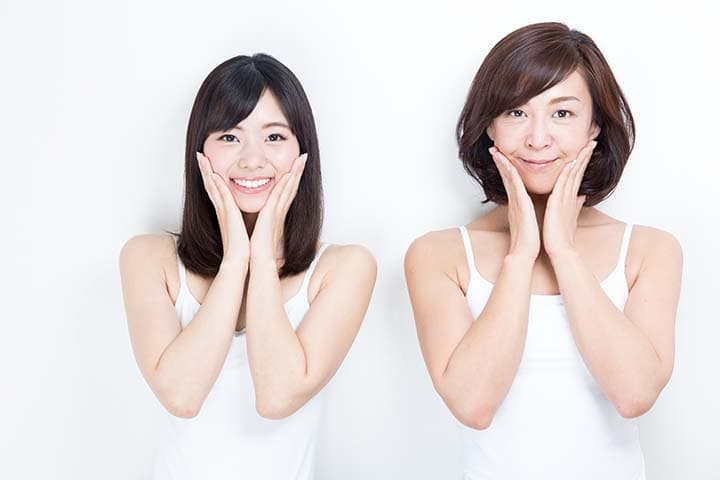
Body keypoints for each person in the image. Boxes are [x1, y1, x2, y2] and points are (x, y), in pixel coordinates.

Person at [404, 22, 682, 479]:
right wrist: (521, 254)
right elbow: (473, 404)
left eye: (562, 114)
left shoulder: (650, 250)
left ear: (595, 123)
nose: (537, 139)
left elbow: (634, 395)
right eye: (515, 113)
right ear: (489, 124)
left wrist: (562, 251)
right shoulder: (439, 256)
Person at [119, 53, 376, 480]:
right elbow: (182, 396)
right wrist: (236, 258)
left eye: (274, 137)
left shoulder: (342, 268)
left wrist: (261, 255)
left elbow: (276, 397)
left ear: (302, 151)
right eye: (229, 137)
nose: (252, 160)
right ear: (200, 150)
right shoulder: (148, 258)